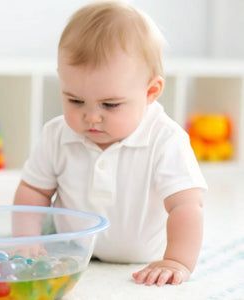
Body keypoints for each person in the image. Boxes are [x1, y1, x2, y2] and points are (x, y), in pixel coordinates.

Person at [14, 1, 207, 286]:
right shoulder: (57, 134)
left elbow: (187, 206)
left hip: (144, 255)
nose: (91, 117)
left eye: (110, 104)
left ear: (151, 91)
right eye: (75, 100)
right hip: (72, 252)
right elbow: (32, 192)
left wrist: (177, 260)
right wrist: (27, 242)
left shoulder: (165, 139)